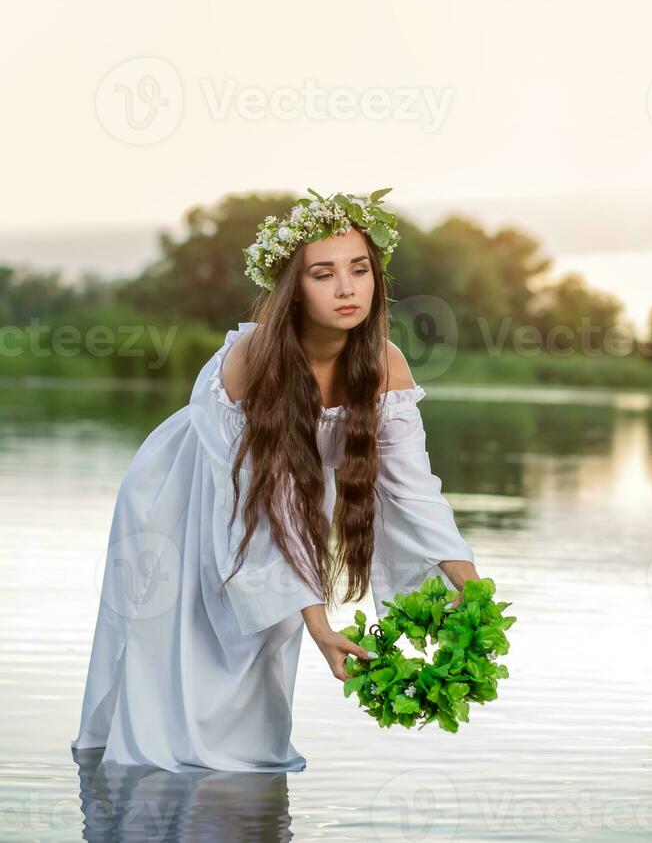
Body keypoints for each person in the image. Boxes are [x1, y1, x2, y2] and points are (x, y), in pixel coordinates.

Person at [70, 188, 479, 773]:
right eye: (323, 273)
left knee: (269, 631)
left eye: (359, 270)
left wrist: (468, 584)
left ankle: (239, 788)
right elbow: (260, 500)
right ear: (293, 286)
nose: (346, 289)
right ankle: (156, 789)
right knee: (183, 638)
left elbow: (413, 489)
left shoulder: (385, 362)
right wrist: (319, 622)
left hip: (292, 501)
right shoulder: (254, 358)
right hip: (194, 490)